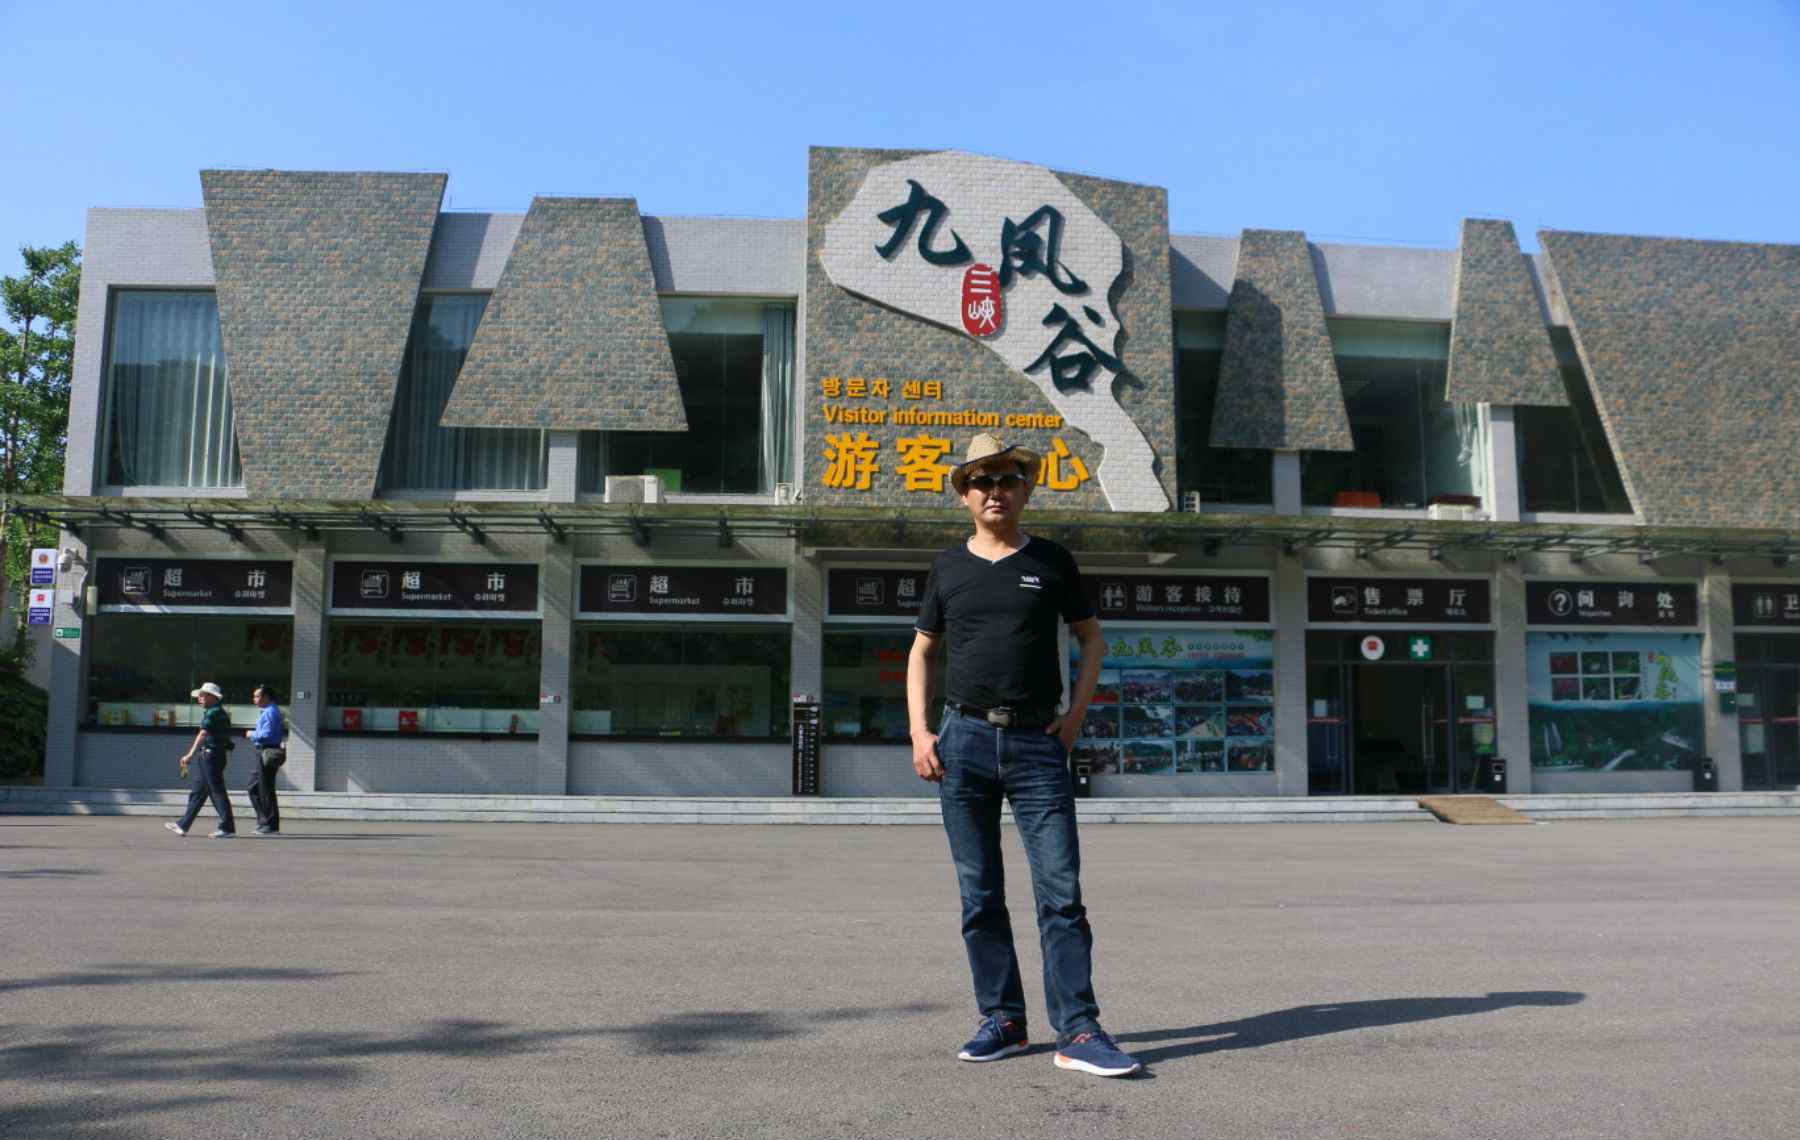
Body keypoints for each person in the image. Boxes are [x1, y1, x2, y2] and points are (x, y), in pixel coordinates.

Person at [906, 432, 1141, 1078]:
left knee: (1060, 894)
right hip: (964, 741)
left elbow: (1092, 641)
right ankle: (1003, 1019)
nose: (994, 491)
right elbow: (922, 650)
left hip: (1039, 744)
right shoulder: (947, 568)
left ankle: (1078, 1030)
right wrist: (921, 734)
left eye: (1006, 479)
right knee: (979, 894)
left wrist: (1073, 720)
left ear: (1025, 488)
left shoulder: (1053, 561)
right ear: (963, 494)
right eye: (980, 481)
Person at [165, 682, 236, 839]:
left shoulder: (213, 713)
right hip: (213, 756)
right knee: (198, 792)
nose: (199, 698)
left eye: (202, 695)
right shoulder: (221, 712)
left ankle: (227, 827)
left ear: (212, 697)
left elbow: (203, 734)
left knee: (217, 792)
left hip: (210, 757)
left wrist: (189, 754)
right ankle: (183, 825)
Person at [244, 684, 288, 835]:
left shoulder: (270, 712)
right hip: (263, 751)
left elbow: (267, 735)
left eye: (257, 696)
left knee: (265, 789)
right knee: (254, 787)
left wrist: (252, 734)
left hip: (267, 751)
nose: (254, 699)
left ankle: (270, 825)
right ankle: (265, 821)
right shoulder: (269, 711)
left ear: (266, 697)